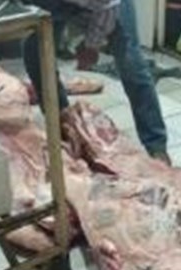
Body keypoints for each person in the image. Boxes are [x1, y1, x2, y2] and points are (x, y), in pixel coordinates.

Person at [23, 0, 171, 164]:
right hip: (62, 5)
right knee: (34, 52)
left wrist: (91, 45)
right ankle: (66, 125)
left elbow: (108, 7)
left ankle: (156, 146)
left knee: (130, 63)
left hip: (112, 6)